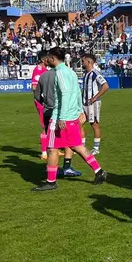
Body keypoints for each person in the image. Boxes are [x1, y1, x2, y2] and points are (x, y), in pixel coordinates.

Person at [33, 48, 107, 191]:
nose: (47, 60)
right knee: (77, 146)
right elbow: (78, 92)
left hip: (62, 117)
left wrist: (61, 117)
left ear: (53, 58)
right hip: (72, 116)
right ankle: (99, 171)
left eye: (48, 57)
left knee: (51, 148)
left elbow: (65, 94)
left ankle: (51, 181)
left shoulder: (60, 73)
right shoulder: (71, 72)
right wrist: (80, 110)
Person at [81, 53, 108, 156]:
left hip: (93, 103)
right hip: (84, 103)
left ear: (89, 62)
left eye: (83, 61)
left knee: (94, 124)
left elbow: (105, 86)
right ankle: (81, 146)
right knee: (79, 123)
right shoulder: (86, 74)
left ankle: (96, 148)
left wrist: (95, 97)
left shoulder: (95, 73)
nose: (82, 63)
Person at [31, 50, 50, 160]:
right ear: (43, 59)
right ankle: (44, 152)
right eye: (48, 58)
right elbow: (34, 87)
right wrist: (42, 98)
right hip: (41, 102)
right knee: (45, 126)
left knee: (49, 125)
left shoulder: (44, 70)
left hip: (46, 101)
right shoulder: (38, 70)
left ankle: (51, 148)